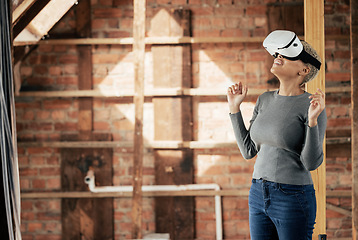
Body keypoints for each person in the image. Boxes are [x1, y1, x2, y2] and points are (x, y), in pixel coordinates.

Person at [227, 30, 327, 240]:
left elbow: (310, 163)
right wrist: (234, 109)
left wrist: (312, 121)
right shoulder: (264, 100)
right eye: (277, 54)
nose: (278, 57)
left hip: (293, 196)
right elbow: (248, 151)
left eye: (287, 55)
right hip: (257, 193)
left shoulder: (312, 105)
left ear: (304, 70)